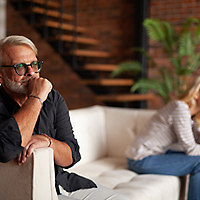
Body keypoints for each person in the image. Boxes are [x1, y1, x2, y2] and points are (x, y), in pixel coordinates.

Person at [0, 35, 130, 200]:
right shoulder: (39, 96)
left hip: (61, 182)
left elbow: (72, 155)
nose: (31, 73)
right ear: (1, 74)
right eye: (20, 67)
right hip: (24, 191)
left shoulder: (52, 98)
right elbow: (6, 150)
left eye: (34, 65)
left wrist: (48, 142)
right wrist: (36, 98)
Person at [126, 76, 200, 200]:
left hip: (157, 155)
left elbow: (195, 141)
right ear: (196, 93)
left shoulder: (190, 116)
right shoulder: (180, 108)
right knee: (199, 162)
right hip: (141, 159)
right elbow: (192, 150)